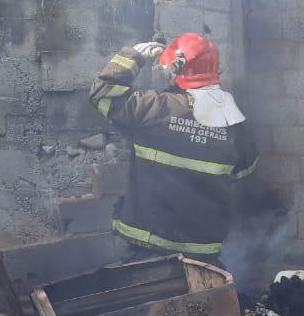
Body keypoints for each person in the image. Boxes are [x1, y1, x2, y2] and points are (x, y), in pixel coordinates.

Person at [88, 33, 257, 263]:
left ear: (176, 71)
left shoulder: (156, 108)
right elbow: (242, 172)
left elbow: (102, 94)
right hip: (202, 253)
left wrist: (133, 57)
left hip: (146, 247)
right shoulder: (235, 123)